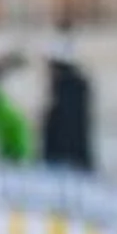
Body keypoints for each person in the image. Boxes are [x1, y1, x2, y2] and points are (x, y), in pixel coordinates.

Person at [38, 24, 95, 173]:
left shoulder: (70, 90)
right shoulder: (68, 88)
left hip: (67, 165)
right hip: (70, 162)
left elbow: (67, 134)